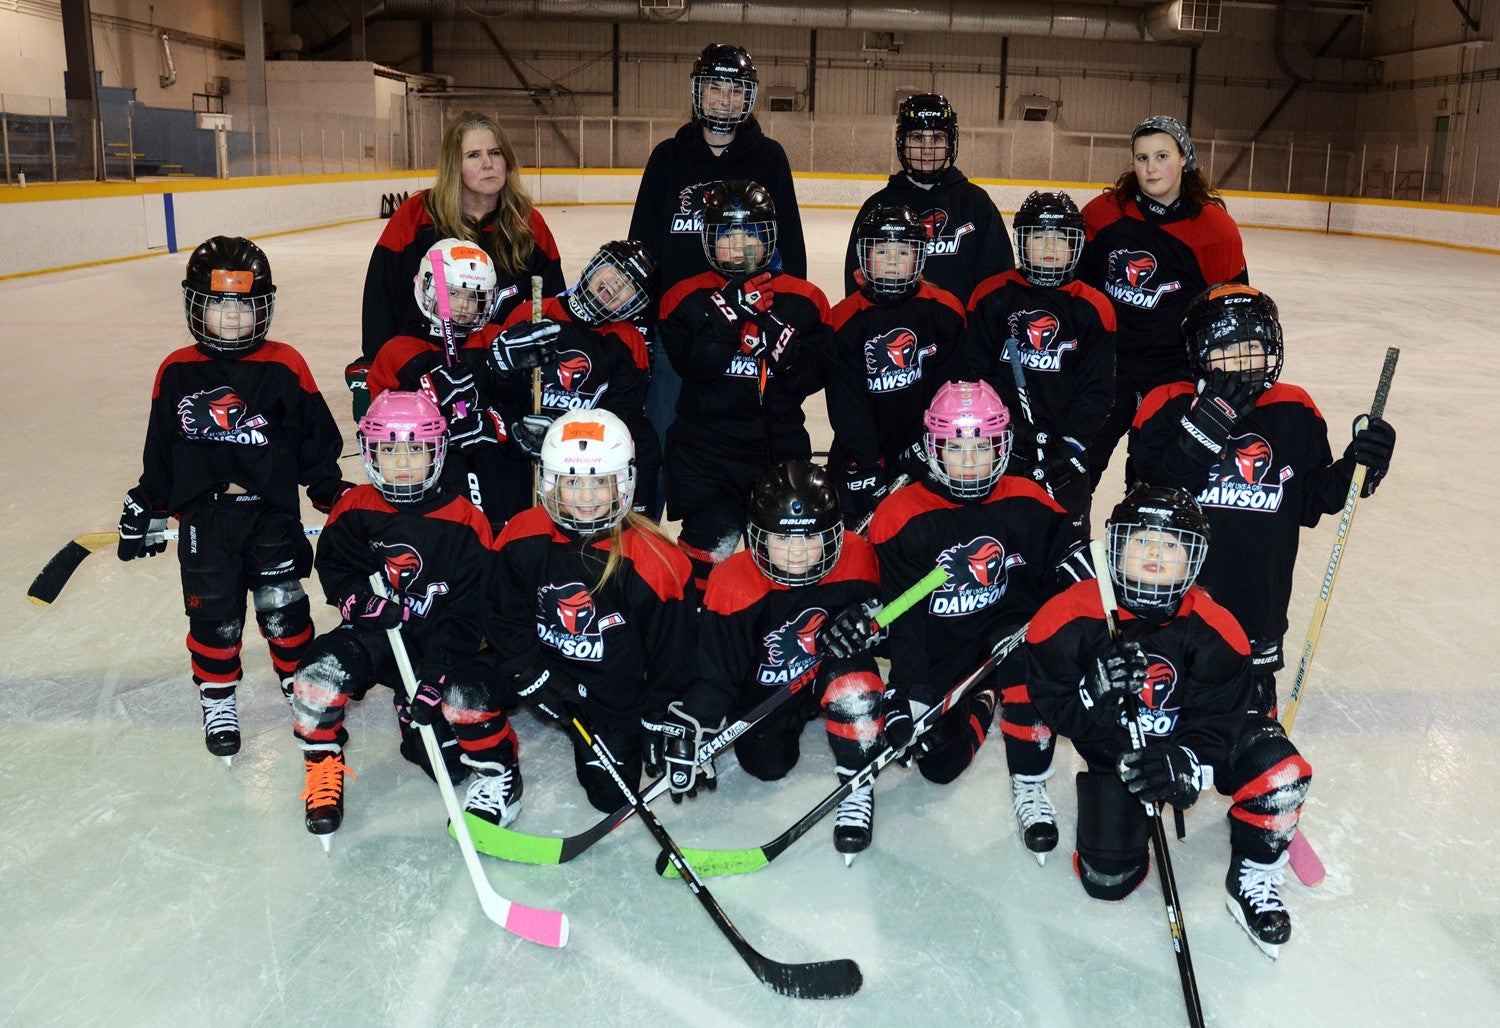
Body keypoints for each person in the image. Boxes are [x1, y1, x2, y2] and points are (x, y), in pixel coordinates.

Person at [1026, 485, 1313, 956]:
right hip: (1122, 756)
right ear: (1115, 547)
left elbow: (1221, 720)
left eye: (1172, 545)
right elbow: (1055, 708)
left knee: (1278, 769)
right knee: (1107, 878)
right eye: (1142, 541)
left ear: (1194, 559)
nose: (1156, 554)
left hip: (1189, 744)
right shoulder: (1067, 616)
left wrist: (1185, 763)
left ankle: (1254, 877)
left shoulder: (1218, 628)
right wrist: (1093, 691)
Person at [826, 380, 1090, 861]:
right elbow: (905, 617)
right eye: (955, 449)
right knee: (938, 765)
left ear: (1002, 446)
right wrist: (911, 692)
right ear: (933, 449)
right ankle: (983, 700)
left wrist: (1074, 557)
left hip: (1006, 639)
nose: (970, 463)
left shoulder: (1027, 498)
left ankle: (1030, 782)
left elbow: (1071, 571)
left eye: (983, 448)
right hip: (939, 647)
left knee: (1025, 652)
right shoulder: (902, 513)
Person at [115, 236, 351, 764]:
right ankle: (218, 698)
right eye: (219, 302)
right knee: (214, 619)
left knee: (285, 610)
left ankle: (301, 687)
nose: (232, 316)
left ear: (263, 306)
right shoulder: (177, 370)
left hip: (271, 516)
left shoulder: (285, 365)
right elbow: (162, 454)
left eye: (244, 303)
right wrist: (147, 503)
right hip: (205, 520)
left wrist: (334, 496)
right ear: (196, 305)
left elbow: (315, 446)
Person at [1127, 283, 1397, 715]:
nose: (1240, 360)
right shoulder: (1166, 403)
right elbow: (1151, 495)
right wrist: (1202, 430)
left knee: (1247, 723)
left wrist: (1360, 467)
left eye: (1251, 345)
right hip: (1176, 606)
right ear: (1197, 352)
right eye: (1224, 348)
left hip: (1258, 603)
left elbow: (1310, 502)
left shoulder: (1295, 408)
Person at [290, 391, 521, 845]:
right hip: (379, 637)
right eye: (388, 450)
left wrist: (436, 675)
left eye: (415, 450)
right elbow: (336, 566)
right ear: (370, 453)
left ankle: (500, 774)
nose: (401, 464)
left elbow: (467, 613)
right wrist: (356, 599)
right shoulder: (356, 507)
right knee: (319, 673)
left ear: (437, 451)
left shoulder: (465, 522)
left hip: (437, 646)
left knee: (448, 754)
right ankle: (321, 763)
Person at [658, 461, 886, 857]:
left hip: (828, 672)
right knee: (767, 764)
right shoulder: (732, 581)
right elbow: (717, 673)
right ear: (757, 537)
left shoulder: (858, 556)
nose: (797, 553)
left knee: (855, 687)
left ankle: (857, 782)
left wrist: (873, 624)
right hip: (768, 692)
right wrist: (697, 725)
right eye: (783, 539)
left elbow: (893, 627)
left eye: (811, 537)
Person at [484, 409, 695, 814]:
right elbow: (501, 614)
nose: (585, 497)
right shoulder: (521, 536)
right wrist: (530, 674)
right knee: (467, 690)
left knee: (609, 798)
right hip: (544, 665)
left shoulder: (656, 562)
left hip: (610, 691)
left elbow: (674, 654)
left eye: (600, 481)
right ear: (550, 482)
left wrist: (659, 712)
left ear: (625, 482)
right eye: (572, 481)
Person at [628, 43, 807, 516]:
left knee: (741, 435)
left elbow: (789, 240)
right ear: (698, 92)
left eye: (735, 89)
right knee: (664, 433)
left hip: (745, 328)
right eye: (715, 87)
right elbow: (642, 243)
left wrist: (788, 313)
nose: (724, 99)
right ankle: (653, 541)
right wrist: (640, 322)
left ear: (748, 97)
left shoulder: (768, 157)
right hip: (675, 329)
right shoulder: (667, 158)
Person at [658, 179, 831, 592]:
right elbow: (696, 365)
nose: (739, 246)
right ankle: (697, 624)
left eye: (751, 234)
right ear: (707, 239)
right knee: (709, 542)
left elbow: (813, 377)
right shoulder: (683, 297)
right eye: (727, 235)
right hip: (704, 453)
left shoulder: (805, 298)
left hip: (778, 449)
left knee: (781, 551)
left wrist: (780, 344)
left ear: (770, 236)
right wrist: (727, 312)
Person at [1076, 114, 1247, 492]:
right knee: (1075, 472)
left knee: (1155, 485)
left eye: (1162, 156)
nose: (1151, 168)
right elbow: (1076, 293)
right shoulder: (1103, 214)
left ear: (1185, 157)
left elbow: (1230, 315)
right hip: (1109, 368)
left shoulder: (1215, 229)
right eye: (1142, 158)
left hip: (1174, 376)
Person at [355, 111, 564, 414]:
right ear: (456, 166)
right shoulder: (417, 215)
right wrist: (381, 365)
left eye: (495, 152)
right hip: (426, 382)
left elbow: (551, 306)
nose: (488, 164)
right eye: (473, 155)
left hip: (504, 382)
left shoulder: (528, 224)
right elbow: (381, 299)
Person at [366, 237, 561, 530]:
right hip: (438, 488)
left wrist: (500, 414)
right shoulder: (398, 351)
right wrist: (435, 404)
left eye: (474, 297)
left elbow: (520, 408)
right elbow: (385, 433)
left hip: (501, 479)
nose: (463, 306)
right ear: (425, 286)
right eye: (454, 294)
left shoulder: (494, 338)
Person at [963, 190, 1116, 533]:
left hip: (1065, 451)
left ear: (1076, 244)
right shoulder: (992, 295)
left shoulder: (1093, 307)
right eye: (1038, 237)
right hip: (998, 447)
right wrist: (1007, 432)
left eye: (1060, 238)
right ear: (1021, 241)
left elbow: (1098, 389)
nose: (1049, 247)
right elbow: (971, 376)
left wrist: (1070, 446)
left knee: (1063, 540)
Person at [491, 240, 662, 515]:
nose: (617, 285)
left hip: (583, 458)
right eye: (614, 271)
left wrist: (564, 438)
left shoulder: (629, 341)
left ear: (634, 304)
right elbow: (499, 388)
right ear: (595, 267)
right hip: (522, 446)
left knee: (645, 445)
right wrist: (517, 423)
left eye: (629, 286)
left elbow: (623, 413)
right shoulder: (534, 313)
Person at [826, 203, 968, 524]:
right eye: (882, 251)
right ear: (863, 255)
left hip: (928, 452)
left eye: (903, 254)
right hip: (861, 457)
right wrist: (867, 463)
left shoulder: (944, 312)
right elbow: (846, 404)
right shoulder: (842, 320)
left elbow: (952, 389)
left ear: (919, 257)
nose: (892, 263)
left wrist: (928, 446)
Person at [842, 94, 1014, 307]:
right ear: (901, 142)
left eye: (937, 139)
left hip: (961, 335)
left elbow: (997, 280)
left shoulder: (975, 203)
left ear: (951, 143)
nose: (927, 149)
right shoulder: (878, 207)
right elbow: (856, 283)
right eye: (916, 138)